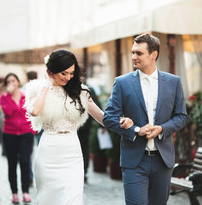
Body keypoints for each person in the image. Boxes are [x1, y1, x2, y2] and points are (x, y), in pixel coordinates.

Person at [24, 49, 133, 205]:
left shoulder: (81, 92)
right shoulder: (37, 90)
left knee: (73, 200)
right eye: (64, 73)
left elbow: (102, 117)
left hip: (72, 153)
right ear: (51, 71)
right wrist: (46, 86)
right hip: (48, 153)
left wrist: (122, 122)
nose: (69, 77)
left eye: (72, 73)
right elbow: (34, 111)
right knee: (48, 200)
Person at [103, 33, 188, 205]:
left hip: (162, 160)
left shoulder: (173, 82)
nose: (134, 57)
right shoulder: (122, 82)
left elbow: (181, 116)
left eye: (139, 53)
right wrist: (135, 130)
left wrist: (162, 129)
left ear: (153, 54)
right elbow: (109, 117)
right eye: (133, 52)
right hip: (134, 161)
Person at [0, 73, 35, 204]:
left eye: (13, 80)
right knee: (12, 164)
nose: (11, 83)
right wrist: (8, 95)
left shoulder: (26, 96)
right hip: (10, 135)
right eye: (8, 81)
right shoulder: (3, 98)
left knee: (25, 162)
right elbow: (8, 112)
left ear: (18, 82)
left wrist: (32, 131)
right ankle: (14, 193)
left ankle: (25, 192)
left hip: (26, 134)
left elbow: (32, 112)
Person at [78, 85, 100, 183]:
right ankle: (83, 173)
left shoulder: (87, 90)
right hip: (82, 127)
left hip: (84, 127)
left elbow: (96, 106)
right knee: (83, 149)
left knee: (84, 149)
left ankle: (84, 173)